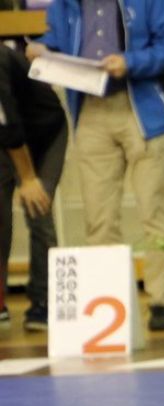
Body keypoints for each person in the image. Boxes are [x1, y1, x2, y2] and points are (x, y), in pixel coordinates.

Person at [28, 0, 164, 333]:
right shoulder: (64, 5)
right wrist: (42, 50)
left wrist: (131, 62)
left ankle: (162, 301)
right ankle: (111, 303)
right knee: (98, 217)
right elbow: (57, 41)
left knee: (154, 210)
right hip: (90, 110)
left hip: (141, 109)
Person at [0, 41, 66, 331]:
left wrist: (27, 178)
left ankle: (44, 301)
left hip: (44, 131)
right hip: (5, 138)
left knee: (38, 207)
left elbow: (10, 126)